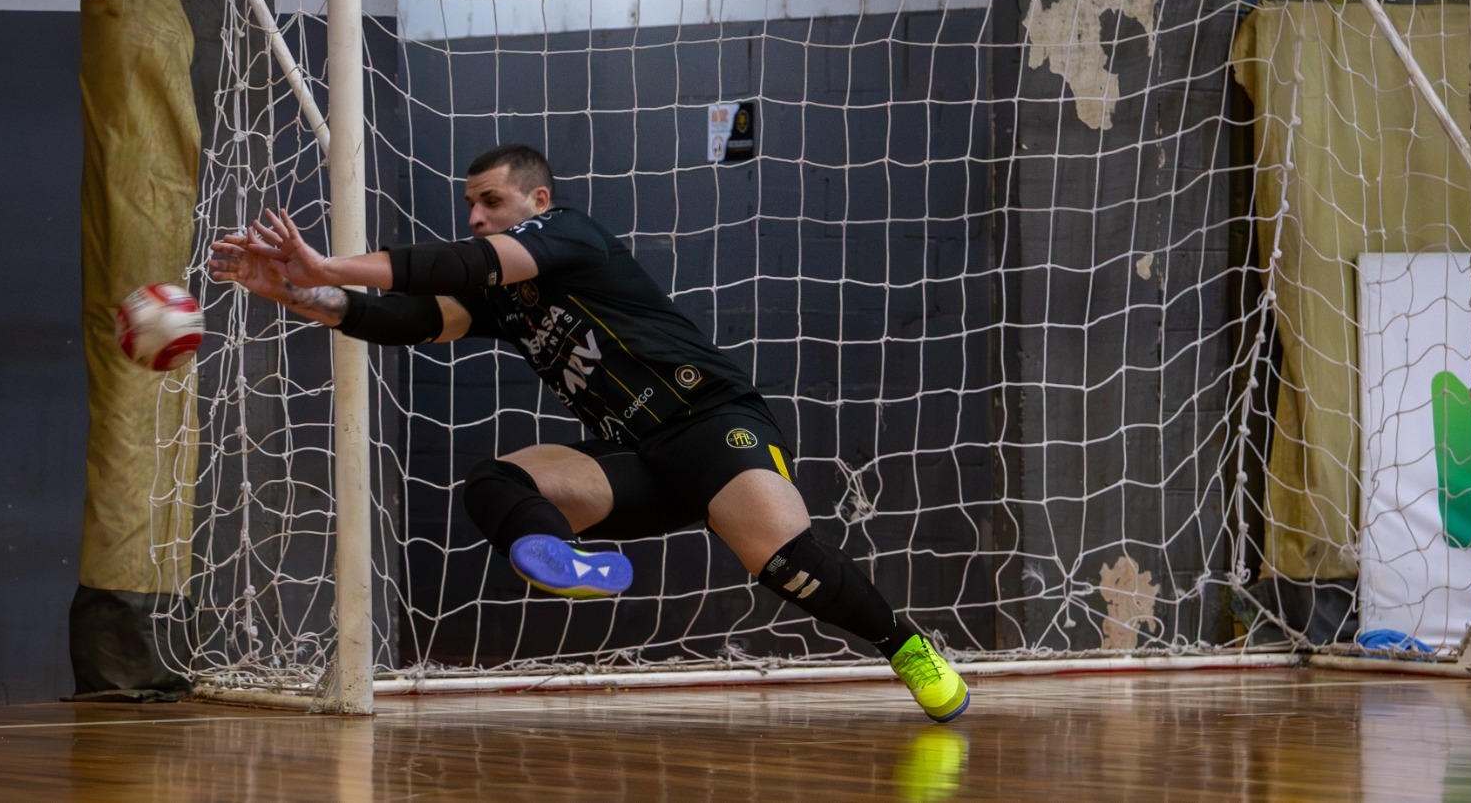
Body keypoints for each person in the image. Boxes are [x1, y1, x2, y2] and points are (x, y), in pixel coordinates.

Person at [210, 143, 968, 722]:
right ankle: (560, 557)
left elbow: (466, 260)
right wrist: (300, 293)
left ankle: (906, 647)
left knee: (781, 559)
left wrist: (329, 261)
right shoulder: (501, 300)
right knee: (498, 480)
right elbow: (409, 320)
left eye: (491, 200)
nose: (475, 215)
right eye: (470, 203)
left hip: (708, 422)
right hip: (632, 455)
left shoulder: (570, 235)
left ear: (536, 201)